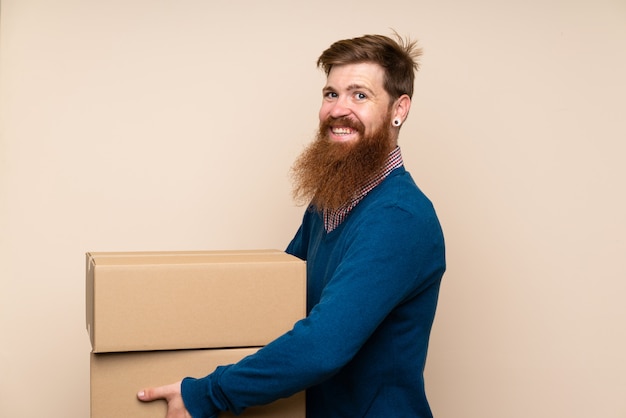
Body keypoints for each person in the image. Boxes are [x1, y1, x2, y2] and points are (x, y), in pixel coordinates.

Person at [137, 32, 446, 418]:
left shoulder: (399, 218)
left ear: (399, 108)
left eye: (359, 95)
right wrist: (167, 316)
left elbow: (321, 346)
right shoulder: (330, 201)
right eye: (331, 94)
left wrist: (208, 394)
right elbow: (278, 297)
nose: (338, 109)